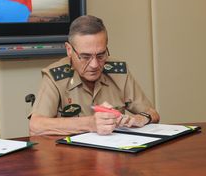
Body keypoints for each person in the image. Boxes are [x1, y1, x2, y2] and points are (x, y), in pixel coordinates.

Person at [29, 15, 160, 136]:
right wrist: (90, 124)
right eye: (85, 56)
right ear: (69, 50)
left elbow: (153, 113)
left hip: (115, 154)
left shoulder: (118, 72)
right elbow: (36, 126)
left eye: (101, 55)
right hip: (71, 156)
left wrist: (139, 119)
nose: (94, 64)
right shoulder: (55, 77)